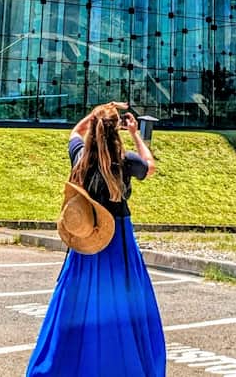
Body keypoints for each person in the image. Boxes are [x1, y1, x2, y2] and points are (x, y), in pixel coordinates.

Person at [26, 101, 165, 376]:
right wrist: (135, 133)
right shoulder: (125, 162)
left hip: (87, 239)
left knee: (76, 301)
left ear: (94, 127)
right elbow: (150, 166)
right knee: (122, 302)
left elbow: (74, 133)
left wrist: (97, 112)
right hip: (118, 242)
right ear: (117, 130)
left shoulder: (81, 157)